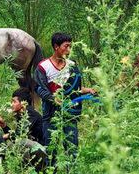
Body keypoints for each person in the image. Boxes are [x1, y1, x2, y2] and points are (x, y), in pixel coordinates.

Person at [34, 32, 96, 164]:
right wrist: (53, 99)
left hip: (69, 112)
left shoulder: (72, 65)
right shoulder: (43, 67)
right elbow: (39, 89)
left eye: (70, 47)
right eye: (66, 46)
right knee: (51, 149)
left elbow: (76, 89)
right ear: (56, 47)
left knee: (72, 147)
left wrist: (88, 90)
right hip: (51, 113)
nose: (68, 50)